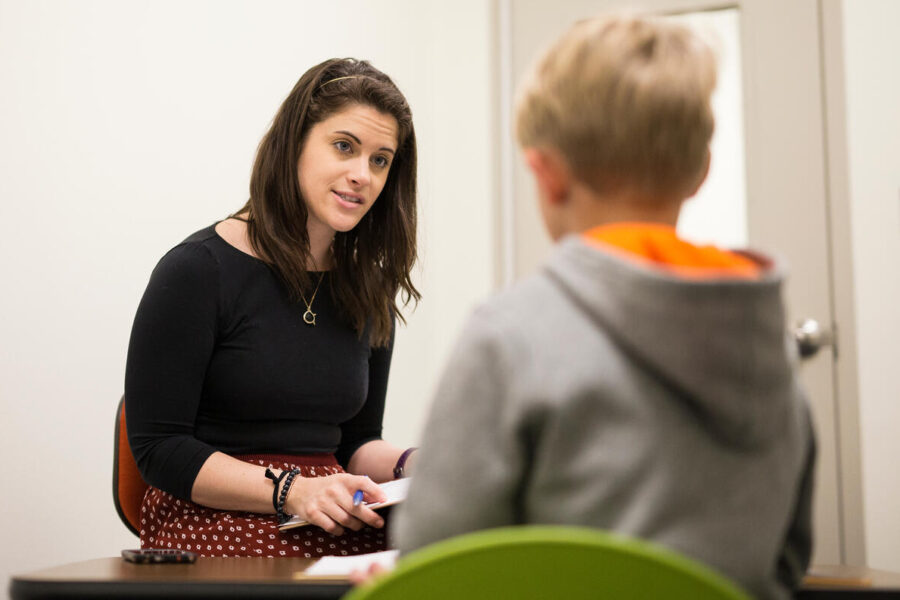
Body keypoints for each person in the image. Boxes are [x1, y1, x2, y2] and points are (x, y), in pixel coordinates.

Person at [393, 15, 814, 599]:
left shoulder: (509, 337)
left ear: (546, 175)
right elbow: (786, 564)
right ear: (700, 172)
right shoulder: (769, 350)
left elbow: (436, 569)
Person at [124, 58, 420, 558]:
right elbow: (159, 449)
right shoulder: (196, 271)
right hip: (213, 517)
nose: (361, 175)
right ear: (293, 144)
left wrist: (414, 464)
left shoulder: (369, 288)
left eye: (380, 160)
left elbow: (355, 443)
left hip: (326, 516)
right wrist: (292, 490)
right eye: (344, 146)